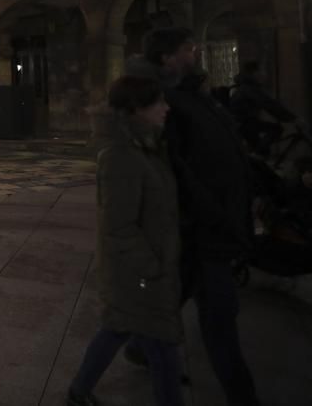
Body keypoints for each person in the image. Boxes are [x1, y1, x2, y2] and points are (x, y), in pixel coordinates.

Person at [128, 27, 259, 406]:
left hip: (213, 222)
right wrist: (212, 213)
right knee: (221, 319)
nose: (196, 51)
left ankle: (139, 344)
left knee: (180, 293)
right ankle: (244, 396)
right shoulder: (165, 102)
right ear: (167, 58)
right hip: (204, 228)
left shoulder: (193, 95)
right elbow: (174, 169)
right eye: (188, 48)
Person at [67, 75, 183, 406]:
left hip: (144, 268)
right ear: (136, 108)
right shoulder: (121, 155)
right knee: (158, 344)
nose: (166, 108)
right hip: (139, 272)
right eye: (158, 102)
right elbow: (119, 226)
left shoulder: (147, 145)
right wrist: (153, 265)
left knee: (119, 329)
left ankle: (79, 389)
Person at [230, 61, 298, 156]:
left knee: (264, 151)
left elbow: (269, 103)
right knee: (275, 130)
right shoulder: (249, 88)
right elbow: (269, 105)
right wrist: (293, 119)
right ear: (254, 73)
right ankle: (255, 156)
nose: (264, 74)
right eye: (262, 71)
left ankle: (255, 157)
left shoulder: (245, 86)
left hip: (243, 123)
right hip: (243, 123)